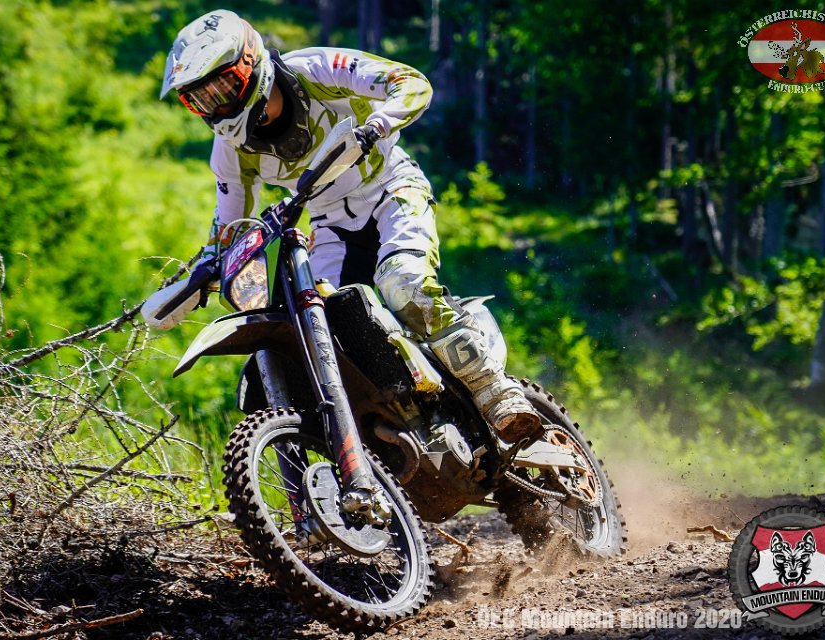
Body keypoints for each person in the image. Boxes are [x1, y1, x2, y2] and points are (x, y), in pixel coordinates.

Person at [142, 9, 541, 444]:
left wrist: (377, 126)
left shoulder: (315, 70)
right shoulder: (230, 151)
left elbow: (410, 82)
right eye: (201, 100)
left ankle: (494, 391)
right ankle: (395, 427)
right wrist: (201, 275)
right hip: (330, 223)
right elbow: (229, 227)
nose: (217, 106)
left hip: (391, 189)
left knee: (403, 283)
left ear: (250, 63)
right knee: (320, 326)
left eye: (222, 88)